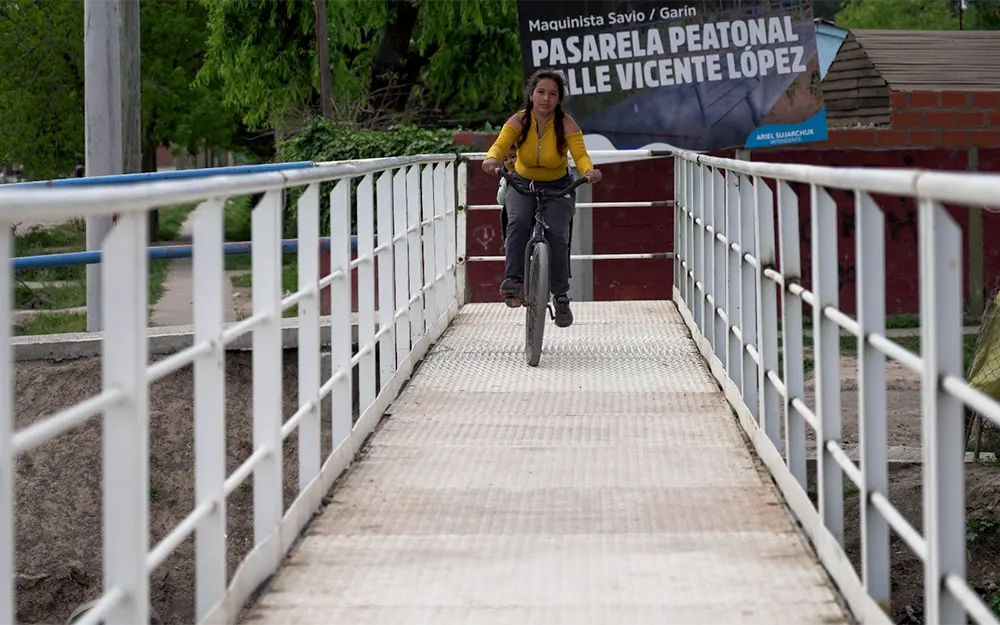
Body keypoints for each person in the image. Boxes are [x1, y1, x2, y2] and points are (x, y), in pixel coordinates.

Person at [481, 68, 602, 329]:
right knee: (518, 221)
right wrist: (492, 157)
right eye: (541, 92)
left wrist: (588, 171)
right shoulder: (519, 121)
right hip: (522, 183)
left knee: (557, 233)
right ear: (531, 94)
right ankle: (513, 281)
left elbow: (580, 155)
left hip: (558, 186)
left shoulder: (566, 123)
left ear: (559, 99)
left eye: (553, 94)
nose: (546, 98)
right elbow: (501, 144)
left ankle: (560, 296)